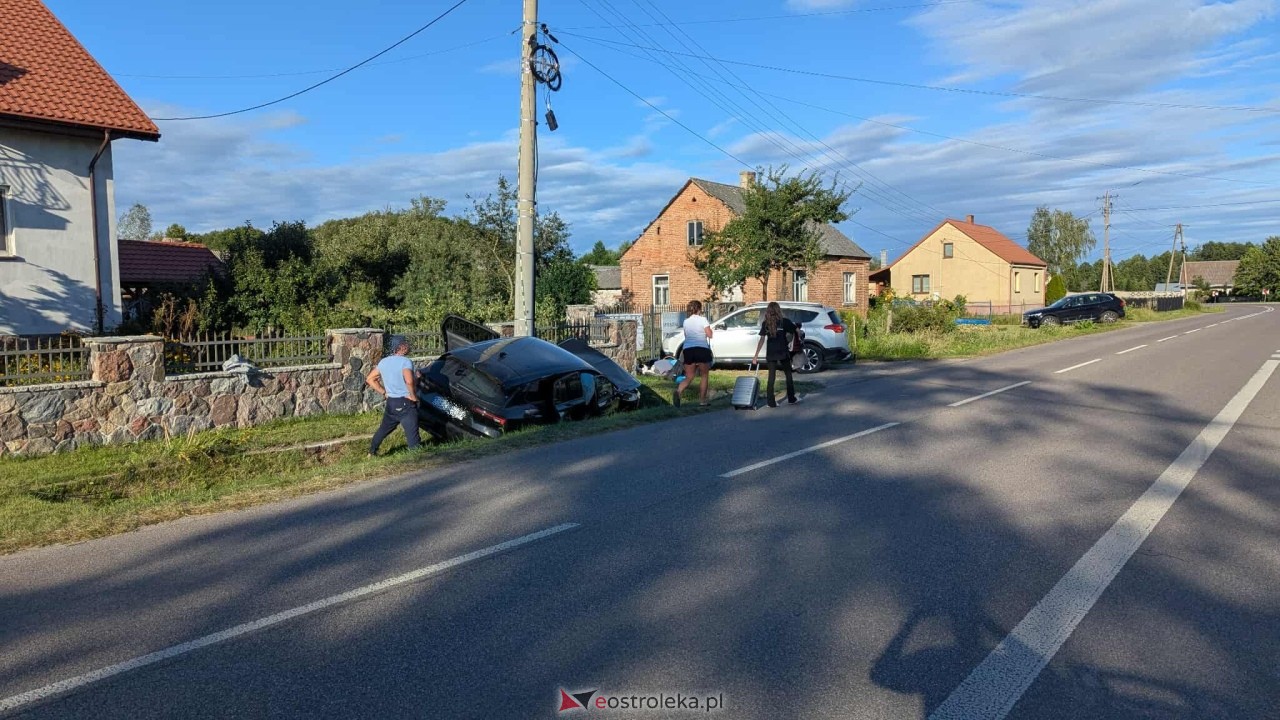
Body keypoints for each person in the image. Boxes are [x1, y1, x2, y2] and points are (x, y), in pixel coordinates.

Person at [365, 336, 421, 455]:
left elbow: (370, 379)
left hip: (391, 403)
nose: (408, 346)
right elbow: (409, 381)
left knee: (383, 430)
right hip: (406, 403)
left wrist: (384, 393)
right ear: (400, 347)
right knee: (412, 435)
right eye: (406, 344)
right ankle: (416, 458)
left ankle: (372, 452)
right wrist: (413, 396)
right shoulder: (406, 362)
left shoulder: (383, 362)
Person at [753, 302, 800, 407]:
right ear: (778, 310)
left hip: (771, 353)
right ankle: (791, 399)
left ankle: (771, 402)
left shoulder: (766, 324)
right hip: (783, 352)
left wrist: (756, 356)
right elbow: (797, 331)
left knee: (771, 377)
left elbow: (761, 340)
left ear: (768, 311)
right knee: (788, 375)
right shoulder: (785, 322)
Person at [675, 299, 713, 407]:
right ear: (699, 309)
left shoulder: (686, 321)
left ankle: (678, 391)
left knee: (689, 376)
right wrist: (710, 331)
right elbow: (709, 335)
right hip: (701, 348)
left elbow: (686, 336)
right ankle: (702, 401)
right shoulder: (703, 319)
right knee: (704, 375)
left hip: (688, 349)